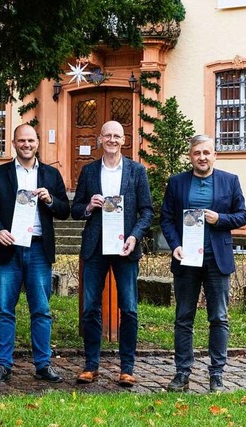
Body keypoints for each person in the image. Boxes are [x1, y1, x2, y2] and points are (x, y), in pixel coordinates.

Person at [0, 124, 71, 384]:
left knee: (42, 310)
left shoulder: (50, 174)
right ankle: (3, 365)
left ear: (38, 143)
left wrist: (50, 200)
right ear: (13, 143)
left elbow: (65, 209)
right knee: (4, 310)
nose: (26, 144)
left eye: (31, 140)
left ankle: (43, 364)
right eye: (21, 140)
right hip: (8, 248)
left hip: (38, 249)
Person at [160, 134, 246, 393]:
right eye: (197, 153)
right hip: (186, 260)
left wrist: (219, 218)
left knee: (218, 318)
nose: (202, 157)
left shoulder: (229, 181)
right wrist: (175, 245)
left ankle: (216, 374)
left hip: (217, 260)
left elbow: (242, 215)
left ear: (214, 155)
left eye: (206, 152)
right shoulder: (177, 183)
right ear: (191, 156)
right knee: (183, 318)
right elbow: (165, 218)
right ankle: (182, 373)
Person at [71, 120, 154, 387]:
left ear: (124, 140)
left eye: (117, 135)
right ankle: (91, 365)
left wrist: (134, 236)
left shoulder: (136, 171)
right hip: (95, 247)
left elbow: (147, 211)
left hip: (125, 248)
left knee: (129, 308)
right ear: (99, 139)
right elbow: (75, 211)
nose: (112, 140)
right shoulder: (88, 171)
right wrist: (89, 207)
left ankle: (127, 368)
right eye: (107, 135)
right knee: (90, 308)